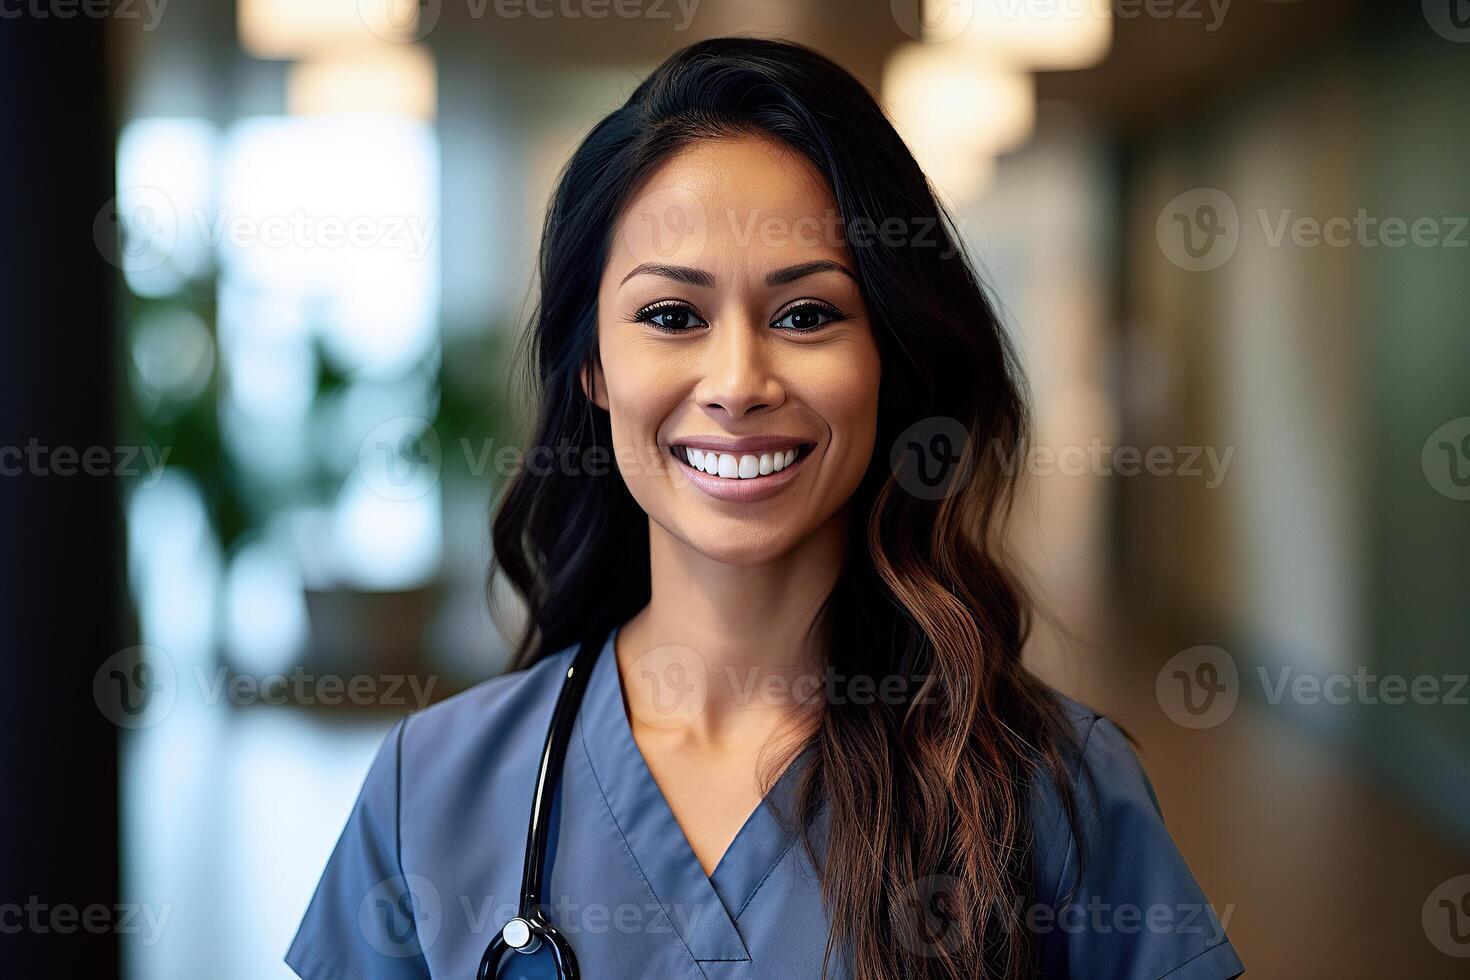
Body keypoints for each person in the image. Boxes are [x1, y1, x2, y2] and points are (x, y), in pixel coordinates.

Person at [286, 37, 1244, 980]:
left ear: (888, 364)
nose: (738, 383)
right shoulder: (433, 792)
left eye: (807, 314)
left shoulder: (1056, 792)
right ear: (592, 368)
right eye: (672, 316)